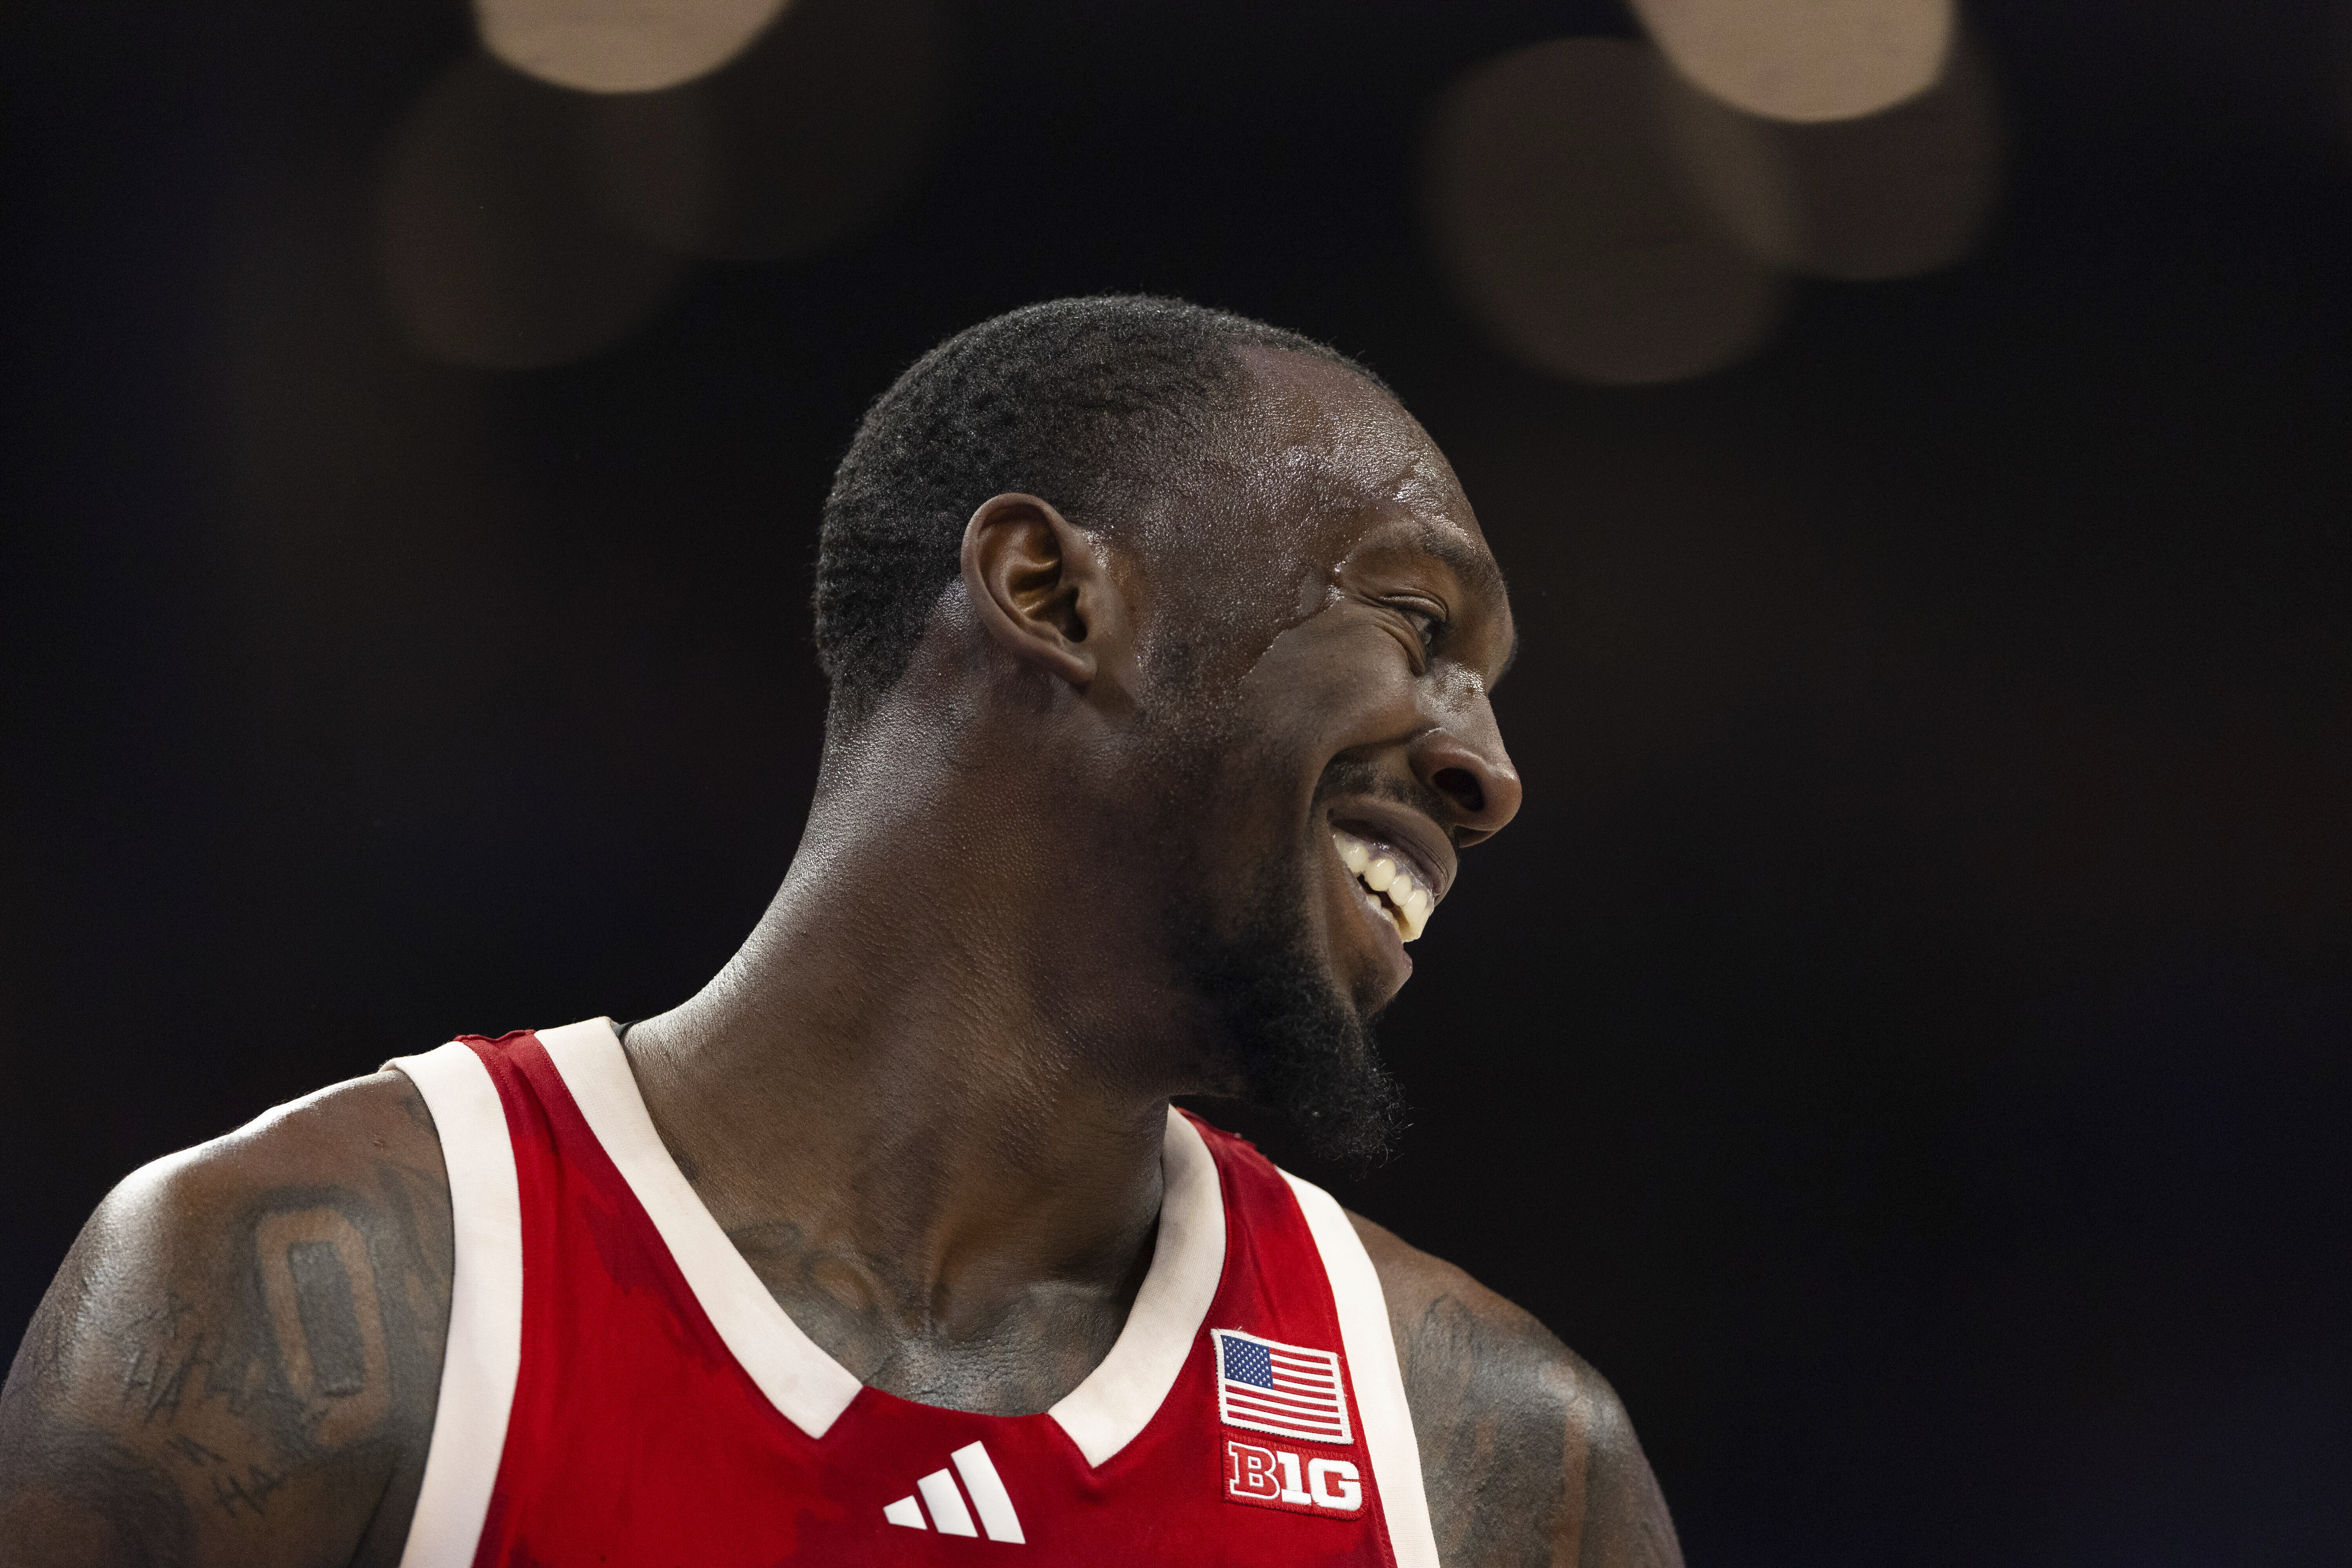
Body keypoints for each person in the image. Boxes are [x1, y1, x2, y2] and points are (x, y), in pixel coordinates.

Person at [0, 296, 1683, 1567]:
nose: (1489, 767)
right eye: (1412, 620)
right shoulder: (339, 1301)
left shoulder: (1494, 1463)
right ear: (1053, 591)